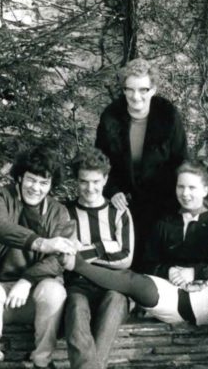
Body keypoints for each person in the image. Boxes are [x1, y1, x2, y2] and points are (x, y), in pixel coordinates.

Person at [60, 160, 208, 369]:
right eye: (181, 187)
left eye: (192, 187)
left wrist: (194, 272)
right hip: (168, 296)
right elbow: (147, 263)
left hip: (205, 296)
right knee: (133, 279)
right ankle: (79, 266)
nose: (185, 193)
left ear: (205, 189)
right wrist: (169, 271)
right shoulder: (164, 222)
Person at [0, 146, 78, 369]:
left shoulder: (59, 212)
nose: (35, 188)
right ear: (20, 177)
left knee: (55, 291)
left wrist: (27, 280)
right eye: (31, 180)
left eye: (43, 183)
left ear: (51, 186)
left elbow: (58, 259)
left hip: (36, 293)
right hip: (0, 290)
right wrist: (40, 243)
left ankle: (41, 361)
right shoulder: (1, 197)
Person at [95, 58, 188, 270]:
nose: (136, 96)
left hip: (161, 200)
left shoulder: (168, 116)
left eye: (143, 89)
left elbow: (180, 160)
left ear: (153, 89)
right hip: (123, 201)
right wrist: (112, 190)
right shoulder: (111, 115)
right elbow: (100, 160)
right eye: (130, 89)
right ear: (124, 89)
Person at [63, 148, 134, 369]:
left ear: (105, 179)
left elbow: (125, 258)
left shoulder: (119, 212)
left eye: (95, 181)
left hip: (114, 286)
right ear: (77, 181)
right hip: (79, 287)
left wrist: (84, 250)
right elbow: (66, 257)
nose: (90, 188)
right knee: (75, 306)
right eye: (84, 181)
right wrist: (107, 246)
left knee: (115, 301)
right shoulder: (66, 212)